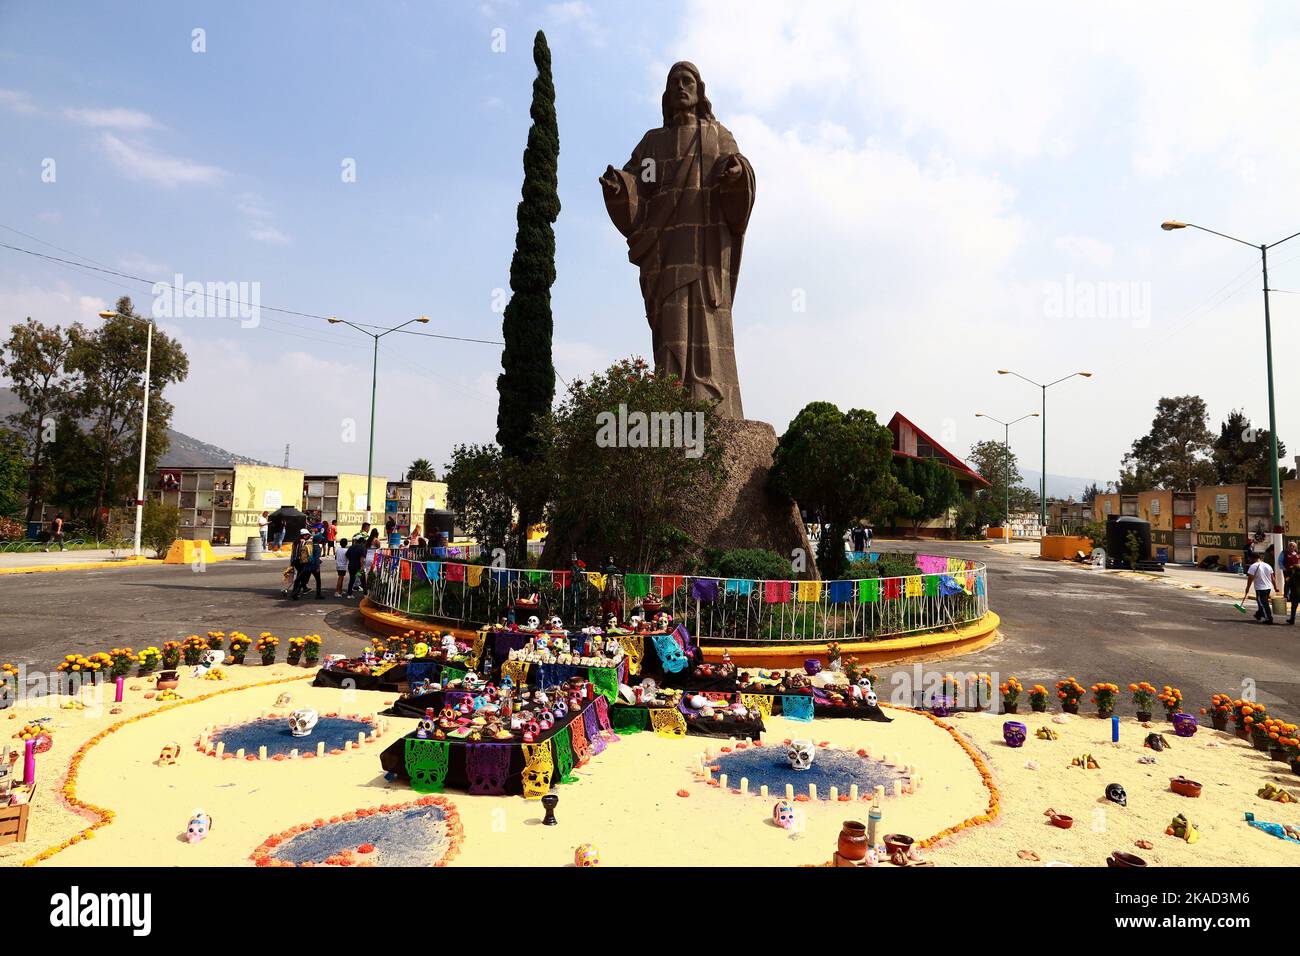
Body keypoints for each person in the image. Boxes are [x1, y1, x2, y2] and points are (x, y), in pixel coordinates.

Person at [1243, 552, 1275, 624]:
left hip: (1260, 588)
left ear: (1253, 558)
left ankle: (1269, 618)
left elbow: (1250, 579)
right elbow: (1273, 577)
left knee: (1263, 603)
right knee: (1261, 602)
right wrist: (1275, 587)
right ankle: (1259, 615)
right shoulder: (1267, 565)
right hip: (1268, 587)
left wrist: (1247, 588)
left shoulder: (1253, 566)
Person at [290, 529, 323, 600]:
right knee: (301, 577)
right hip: (302, 562)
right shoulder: (304, 543)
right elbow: (306, 554)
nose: (309, 536)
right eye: (308, 535)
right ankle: (296, 592)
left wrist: (292, 562)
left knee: (300, 577)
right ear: (305, 535)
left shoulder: (295, 542)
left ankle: (299, 590)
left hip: (295, 561)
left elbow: (292, 553)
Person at [334, 531, 351, 596]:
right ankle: (337, 591)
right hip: (342, 566)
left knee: (341, 578)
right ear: (346, 544)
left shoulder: (338, 549)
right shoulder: (346, 550)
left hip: (338, 565)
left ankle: (340, 591)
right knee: (340, 578)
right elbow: (348, 558)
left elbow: (336, 557)